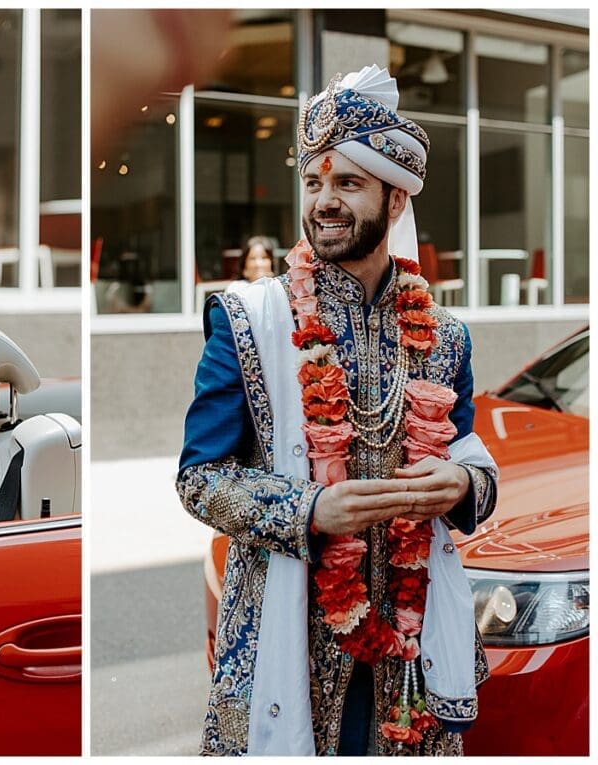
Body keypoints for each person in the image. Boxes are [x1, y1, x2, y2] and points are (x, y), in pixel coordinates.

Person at [176, 65, 498, 756]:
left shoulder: (444, 335)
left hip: (407, 652)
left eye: (348, 183)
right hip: (285, 637)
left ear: (396, 199)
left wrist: (467, 484)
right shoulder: (249, 319)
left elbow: (468, 447)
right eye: (314, 182)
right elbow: (199, 478)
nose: (324, 201)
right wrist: (308, 509)